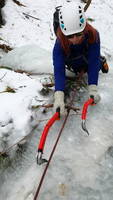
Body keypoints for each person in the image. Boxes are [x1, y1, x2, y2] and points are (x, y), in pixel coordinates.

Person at [52, 1, 109, 115]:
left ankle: (102, 61)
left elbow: (93, 61)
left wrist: (93, 88)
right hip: (72, 60)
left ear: (84, 28)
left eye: (79, 34)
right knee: (75, 71)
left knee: (95, 64)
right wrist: (59, 96)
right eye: (70, 36)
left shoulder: (93, 34)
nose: (75, 39)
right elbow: (58, 68)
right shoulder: (60, 42)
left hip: (87, 57)